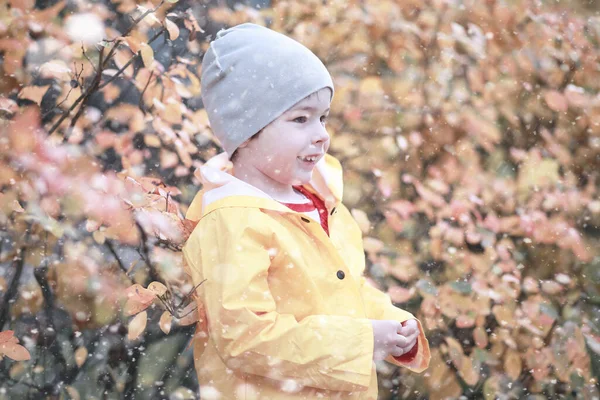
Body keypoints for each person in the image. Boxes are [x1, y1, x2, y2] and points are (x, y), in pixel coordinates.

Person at [182, 23, 430, 400]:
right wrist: (362, 340)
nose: (321, 135)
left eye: (323, 117)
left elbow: (344, 290)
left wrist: (392, 324)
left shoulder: (317, 201)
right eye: (300, 119)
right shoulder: (231, 222)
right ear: (247, 132)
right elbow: (247, 339)